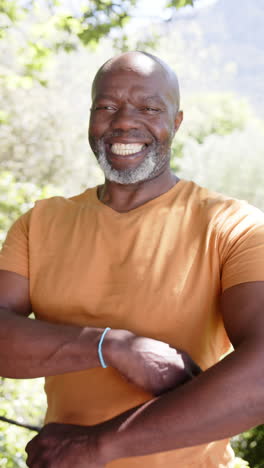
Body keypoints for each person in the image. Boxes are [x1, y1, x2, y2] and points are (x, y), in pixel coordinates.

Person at [0, 51, 264, 468]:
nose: (124, 121)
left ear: (176, 122)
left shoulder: (234, 227)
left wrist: (98, 446)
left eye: (148, 107)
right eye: (106, 107)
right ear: (90, 118)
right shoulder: (39, 223)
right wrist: (113, 346)